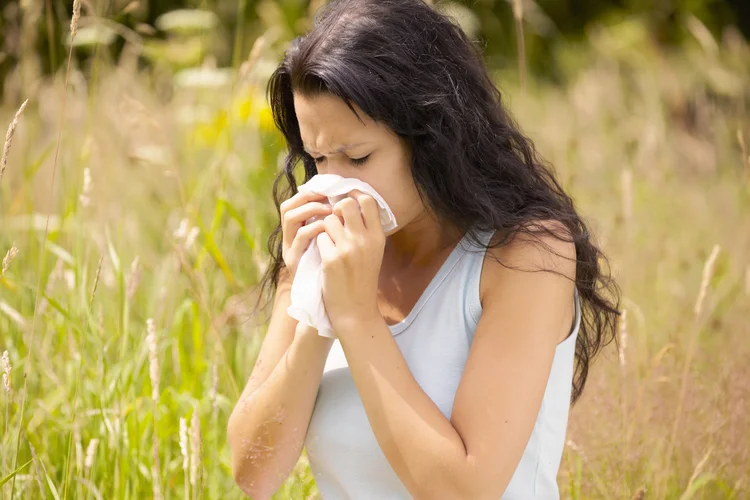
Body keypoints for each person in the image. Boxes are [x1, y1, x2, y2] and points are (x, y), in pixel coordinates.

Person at [228, 0, 620, 498]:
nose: (333, 185)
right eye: (319, 157)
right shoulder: (320, 250)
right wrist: (316, 312)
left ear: (435, 137)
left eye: (359, 157)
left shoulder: (526, 256)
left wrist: (358, 320)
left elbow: (465, 491)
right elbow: (253, 474)